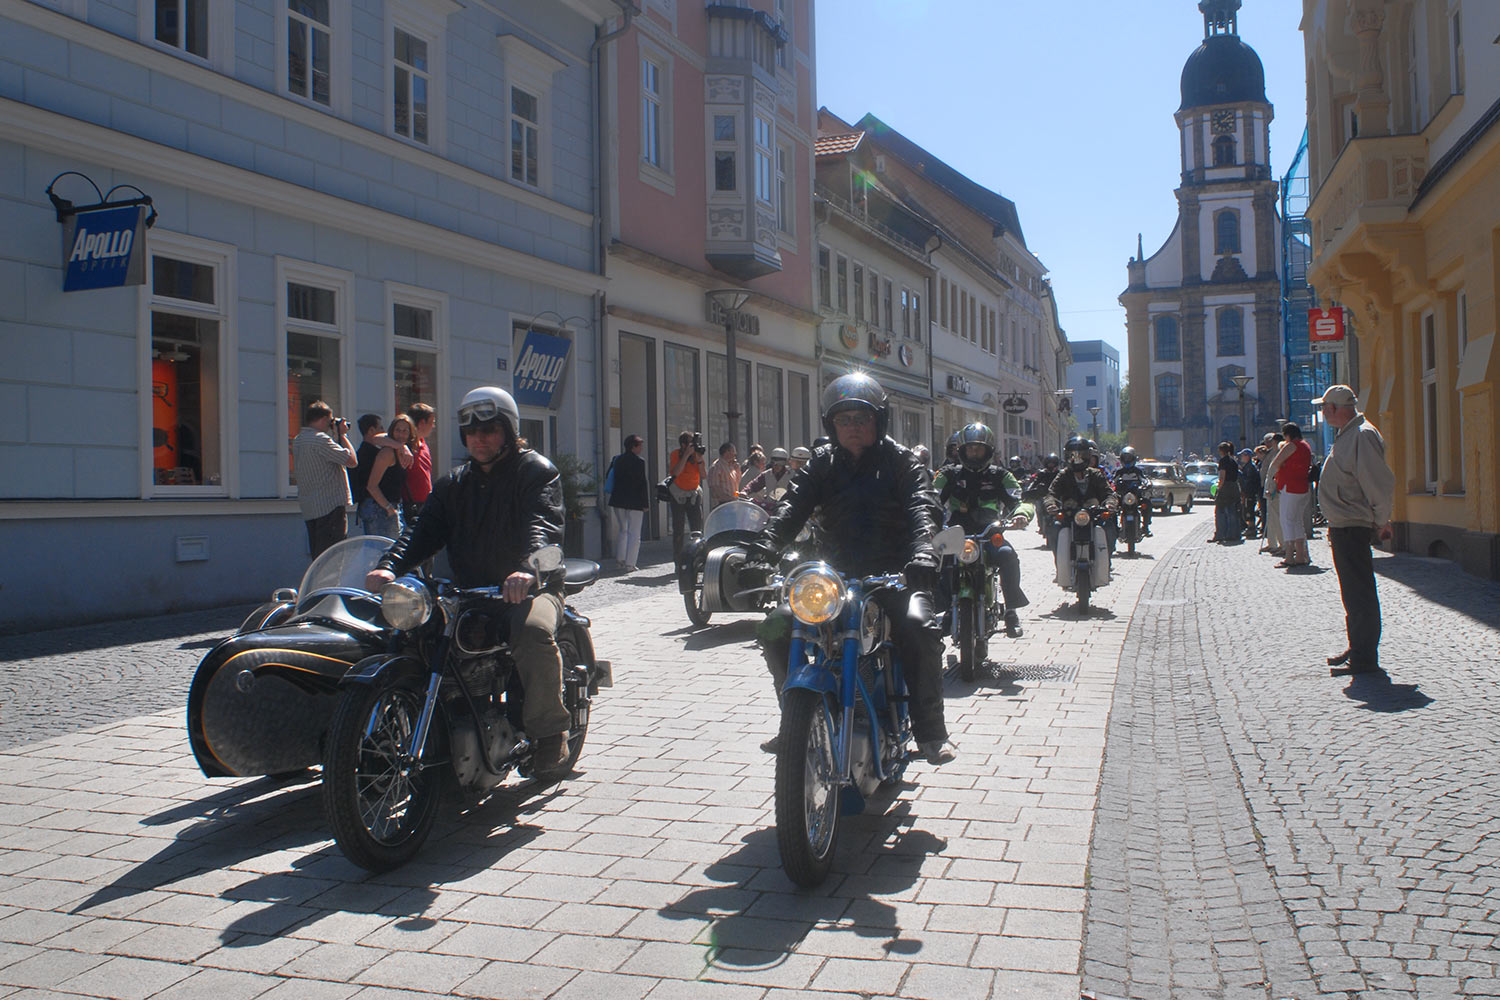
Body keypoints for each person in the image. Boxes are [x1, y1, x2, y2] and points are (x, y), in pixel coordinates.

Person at [364, 386, 573, 779]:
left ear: (508, 432)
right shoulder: (452, 484)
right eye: (472, 433)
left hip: (533, 587)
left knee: (530, 633)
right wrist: (390, 566)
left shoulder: (537, 472)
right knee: (412, 633)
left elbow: (542, 525)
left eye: (489, 431)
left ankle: (550, 734)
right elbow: (421, 532)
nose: (479, 439)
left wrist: (528, 570)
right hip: (471, 592)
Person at [749, 372, 952, 765]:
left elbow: (923, 508)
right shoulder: (820, 464)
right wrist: (764, 548)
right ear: (832, 424)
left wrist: (924, 553)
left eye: (862, 418)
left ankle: (931, 734)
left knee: (921, 628)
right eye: (844, 420)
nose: (854, 427)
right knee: (775, 627)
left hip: (892, 575)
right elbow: (791, 508)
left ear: (879, 421)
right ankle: (794, 722)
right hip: (832, 579)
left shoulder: (902, 462)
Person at [1314, 385, 1395, 676]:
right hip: (1344, 525)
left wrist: (1382, 520)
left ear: (1335, 408)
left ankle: (1364, 656)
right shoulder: (1350, 434)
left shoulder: (1362, 435)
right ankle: (1358, 646)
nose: (1322, 413)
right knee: (1353, 591)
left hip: (1353, 525)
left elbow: (1377, 482)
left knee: (1359, 591)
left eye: (1324, 408)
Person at [932, 423, 1030, 637]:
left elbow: (1018, 499)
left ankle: (1011, 609)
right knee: (940, 561)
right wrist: (930, 518)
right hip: (956, 534)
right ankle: (948, 608)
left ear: (989, 451)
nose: (974, 453)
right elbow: (931, 498)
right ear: (962, 451)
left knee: (1007, 555)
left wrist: (1021, 515)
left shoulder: (1000, 475)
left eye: (979, 449)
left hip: (989, 533)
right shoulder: (948, 474)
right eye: (970, 449)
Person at [291, 401, 358, 560]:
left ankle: (319, 585)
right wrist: (343, 435)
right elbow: (352, 461)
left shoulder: (299, 439)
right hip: (330, 507)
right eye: (329, 421)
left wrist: (334, 435)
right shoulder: (320, 439)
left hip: (311, 507)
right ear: (323, 420)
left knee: (319, 559)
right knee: (333, 560)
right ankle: (330, 585)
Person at [1042, 436, 1119, 550]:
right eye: (1072, 456)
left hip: (1094, 516)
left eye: (1081, 456)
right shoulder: (1063, 475)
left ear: (1088, 456)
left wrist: (1110, 504)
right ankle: (1059, 562)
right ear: (1067, 457)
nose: (1077, 460)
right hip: (1069, 517)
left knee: (1109, 527)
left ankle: (1107, 560)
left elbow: (1109, 493)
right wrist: (1051, 505)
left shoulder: (1096, 474)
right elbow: (1051, 494)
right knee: (1055, 528)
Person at [1269, 421, 1314, 568]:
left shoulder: (1292, 445)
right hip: (1302, 486)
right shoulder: (1305, 445)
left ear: (1287, 435)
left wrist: (1282, 465)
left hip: (1289, 486)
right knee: (1297, 522)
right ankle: (1300, 555)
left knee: (1287, 521)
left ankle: (1289, 556)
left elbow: (1275, 463)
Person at [362, 413, 414, 539]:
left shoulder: (403, 452)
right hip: (379, 509)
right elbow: (371, 486)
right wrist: (388, 508)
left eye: (405, 431)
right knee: (383, 553)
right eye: (397, 430)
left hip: (394, 506)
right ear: (392, 431)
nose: (401, 434)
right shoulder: (387, 452)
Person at [605, 434, 649, 572]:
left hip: (618, 500)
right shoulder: (639, 462)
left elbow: (608, 476)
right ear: (633, 447)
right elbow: (642, 483)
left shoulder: (617, 459)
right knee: (634, 533)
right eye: (640, 445)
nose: (641, 448)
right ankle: (630, 563)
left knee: (623, 530)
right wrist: (645, 503)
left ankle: (620, 560)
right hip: (635, 501)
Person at [666, 431, 706, 559]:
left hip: (693, 494)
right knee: (678, 528)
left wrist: (699, 460)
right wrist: (686, 456)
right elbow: (675, 472)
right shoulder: (675, 454)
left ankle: (697, 557)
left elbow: (704, 476)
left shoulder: (697, 455)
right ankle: (678, 559)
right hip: (678, 494)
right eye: (690, 443)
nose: (693, 446)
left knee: (697, 528)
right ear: (683, 445)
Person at [401, 403, 437, 524]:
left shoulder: (423, 443)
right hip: (409, 507)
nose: (433, 426)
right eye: (432, 422)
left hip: (425, 505)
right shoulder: (404, 444)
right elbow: (376, 438)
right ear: (422, 423)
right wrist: (400, 446)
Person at [1111, 446, 1153, 538]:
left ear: (1133, 458)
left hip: (1136, 496)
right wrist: (1111, 487)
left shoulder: (1138, 471)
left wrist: (1147, 484)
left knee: (1147, 503)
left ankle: (1146, 527)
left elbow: (1144, 479)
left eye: (1129, 458)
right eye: (1125, 458)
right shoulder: (1119, 472)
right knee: (1112, 508)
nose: (1127, 460)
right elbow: (1112, 481)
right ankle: (1114, 529)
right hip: (1122, 496)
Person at [1259, 432, 1285, 557]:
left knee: (1277, 517)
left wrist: (1273, 488)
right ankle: (1272, 543)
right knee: (1271, 517)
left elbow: (1277, 472)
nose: (1269, 444)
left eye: (1272, 441)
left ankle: (1283, 544)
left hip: (1274, 490)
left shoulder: (1280, 453)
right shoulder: (1272, 452)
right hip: (1269, 488)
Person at [1211, 441, 1242, 543]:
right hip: (1234, 487)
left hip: (1226, 488)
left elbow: (1222, 477)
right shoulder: (1233, 461)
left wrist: (1218, 489)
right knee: (1232, 511)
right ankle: (1234, 534)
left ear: (1221, 451)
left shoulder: (1223, 461)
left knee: (1220, 511)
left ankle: (1220, 534)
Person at [1238, 448, 1263, 538]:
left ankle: (1251, 528)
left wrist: (1240, 474)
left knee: (1249, 510)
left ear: (1247, 456)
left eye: (1242, 455)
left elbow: (1248, 480)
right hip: (1249, 491)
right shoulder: (1248, 466)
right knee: (1247, 509)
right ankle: (1250, 527)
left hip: (1250, 492)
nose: (1241, 457)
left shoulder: (1250, 467)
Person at [709, 441, 741, 508]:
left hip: (733, 503)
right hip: (723, 504)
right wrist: (726, 499)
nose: (735, 455)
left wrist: (737, 470)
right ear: (727, 452)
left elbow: (734, 487)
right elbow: (715, 486)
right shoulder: (717, 466)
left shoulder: (731, 467)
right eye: (734, 452)